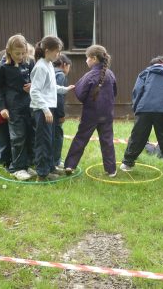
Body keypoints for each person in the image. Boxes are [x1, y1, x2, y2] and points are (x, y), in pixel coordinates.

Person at [120, 56, 163, 174]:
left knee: (137, 136)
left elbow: (137, 91)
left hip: (144, 109)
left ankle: (127, 163)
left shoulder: (145, 73)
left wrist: (136, 107)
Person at [64, 44, 117, 177]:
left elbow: (80, 93)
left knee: (80, 139)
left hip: (90, 114)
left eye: (87, 58)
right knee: (107, 141)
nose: (86, 60)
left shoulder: (89, 75)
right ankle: (111, 170)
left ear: (93, 58)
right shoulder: (110, 74)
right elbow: (114, 93)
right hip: (107, 114)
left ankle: (70, 165)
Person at [30, 36, 75, 182]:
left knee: (49, 140)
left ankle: (50, 168)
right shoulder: (40, 67)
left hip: (49, 109)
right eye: (57, 51)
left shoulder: (48, 64)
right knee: (43, 142)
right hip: (43, 110)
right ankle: (42, 174)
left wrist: (64, 89)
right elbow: (35, 91)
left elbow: (50, 87)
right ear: (47, 50)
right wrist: (45, 110)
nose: (58, 55)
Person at [0, 34, 36, 181]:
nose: (21, 56)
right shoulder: (3, 66)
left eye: (23, 53)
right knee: (18, 137)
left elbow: (37, 80)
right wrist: (2, 107)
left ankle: (27, 164)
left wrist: (33, 86)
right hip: (14, 107)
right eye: (17, 53)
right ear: (9, 51)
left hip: (30, 105)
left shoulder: (30, 62)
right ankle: (17, 168)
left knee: (30, 134)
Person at [53, 54, 72, 168]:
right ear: (64, 65)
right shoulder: (60, 75)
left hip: (46, 111)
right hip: (55, 113)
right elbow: (58, 96)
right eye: (69, 66)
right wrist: (61, 114)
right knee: (57, 137)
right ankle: (56, 161)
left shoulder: (50, 72)